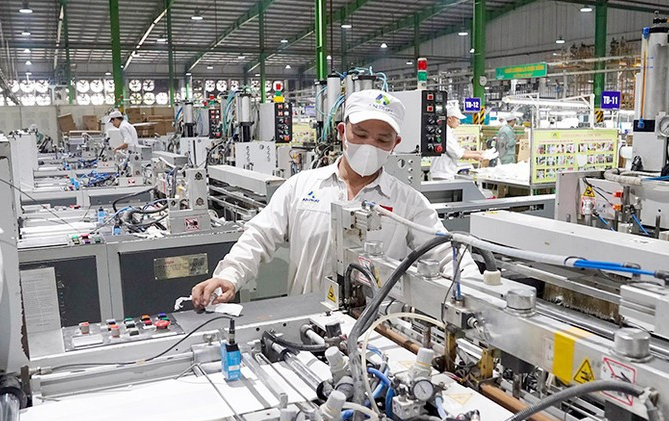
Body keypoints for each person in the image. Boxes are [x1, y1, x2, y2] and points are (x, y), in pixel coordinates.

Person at [191, 89, 476, 308]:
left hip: (380, 332)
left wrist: (481, 294)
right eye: (361, 134)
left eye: (382, 140)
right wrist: (229, 274)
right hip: (305, 321)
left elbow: (447, 256)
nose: (369, 146)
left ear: (396, 144)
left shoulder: (408, 203)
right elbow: (259, 236)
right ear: (342, 132)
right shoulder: (301, 187)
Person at [430, 105, 487, 180]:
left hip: (446, 173)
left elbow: (459, 150)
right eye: (458, 119)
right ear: (450, 118)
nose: (459, 122)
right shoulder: (445, 132)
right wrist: (474, 156)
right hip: (442, 173)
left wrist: (477, 152)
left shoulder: (448, 131)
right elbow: (457, 154)